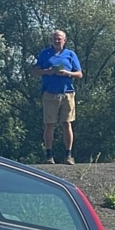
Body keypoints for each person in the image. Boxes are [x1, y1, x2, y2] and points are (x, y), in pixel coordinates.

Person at [32, 29, 82, 165]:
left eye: (59, 38)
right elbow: (35, 71)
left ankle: (68, 155)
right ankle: (49, 155)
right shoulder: (44, 54)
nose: (56, 40)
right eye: (54, 38)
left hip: (67, 93)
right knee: (49, 125)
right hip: (49, 93)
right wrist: (47, 71)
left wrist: (67, 73)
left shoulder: (70, 54)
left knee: (67, 123)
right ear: (51, 40)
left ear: (64, 40)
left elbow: (79, 74)